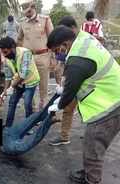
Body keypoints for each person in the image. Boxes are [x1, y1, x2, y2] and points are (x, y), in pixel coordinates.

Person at [47, 26, 120, 184]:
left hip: (113, 106)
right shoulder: (83, 39)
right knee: (91, 145)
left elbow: (69, 93)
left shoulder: (77, 60)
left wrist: (57, 105)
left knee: (93, 149)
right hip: (119, 97)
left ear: (65, 44)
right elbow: (73, 79)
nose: (57, 55)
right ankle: (87, 174)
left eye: (57, 51)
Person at [17, 0, 54, 110]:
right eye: (25, 13)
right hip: (28, 58)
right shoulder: (22, 22)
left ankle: (42, 113)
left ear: (33, 8)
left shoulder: (45, 20)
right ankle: (31, 114)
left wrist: (53, 58)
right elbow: (19, 40)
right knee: (28, 86)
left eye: (28, 12)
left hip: (43, 57)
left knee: (43, 87)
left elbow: (52, 39)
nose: (26, 14)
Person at [49, 16, 80, 146]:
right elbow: (64, 62)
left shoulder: (81, 45)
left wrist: (60, 103)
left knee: (71, 107)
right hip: (73, 79)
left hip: (85, 83)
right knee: (68, 109)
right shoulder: (68, 45)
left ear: (73, 28)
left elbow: (76, 67)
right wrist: (62, 79)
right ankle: (64, 136)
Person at [0, 37, 40, 127]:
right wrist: (5, 90)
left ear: (13, 47)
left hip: (30, 81)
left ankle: (28, 126)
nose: (4, 55)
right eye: (2, 52)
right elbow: (8, 77)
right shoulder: (6, 59)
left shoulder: (25, 53)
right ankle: (8, 126)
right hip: (19, 83)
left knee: (27, 103)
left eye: (5, 52)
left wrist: (12, 87)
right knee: (12, 102)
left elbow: (23, 74)